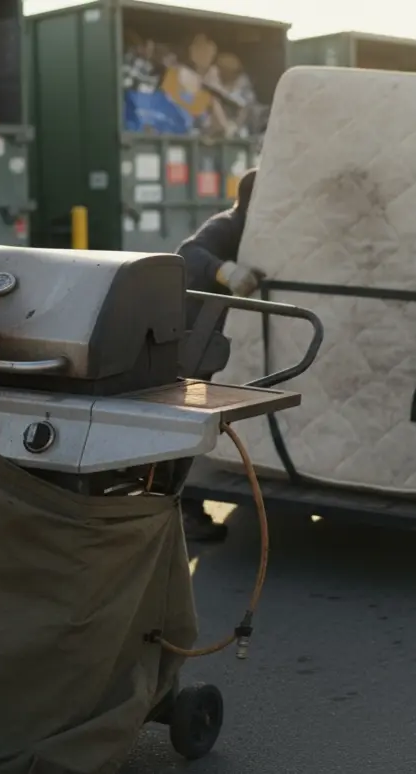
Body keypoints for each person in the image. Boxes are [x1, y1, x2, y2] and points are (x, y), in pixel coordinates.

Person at [177, 169, 260, 542]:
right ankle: (183, 510)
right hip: (195, 348)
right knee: (190, 418)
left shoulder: (258, 230)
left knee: (200, 419)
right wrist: (224, 271)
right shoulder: (228, 225)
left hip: (214, 346)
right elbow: (188, 252)